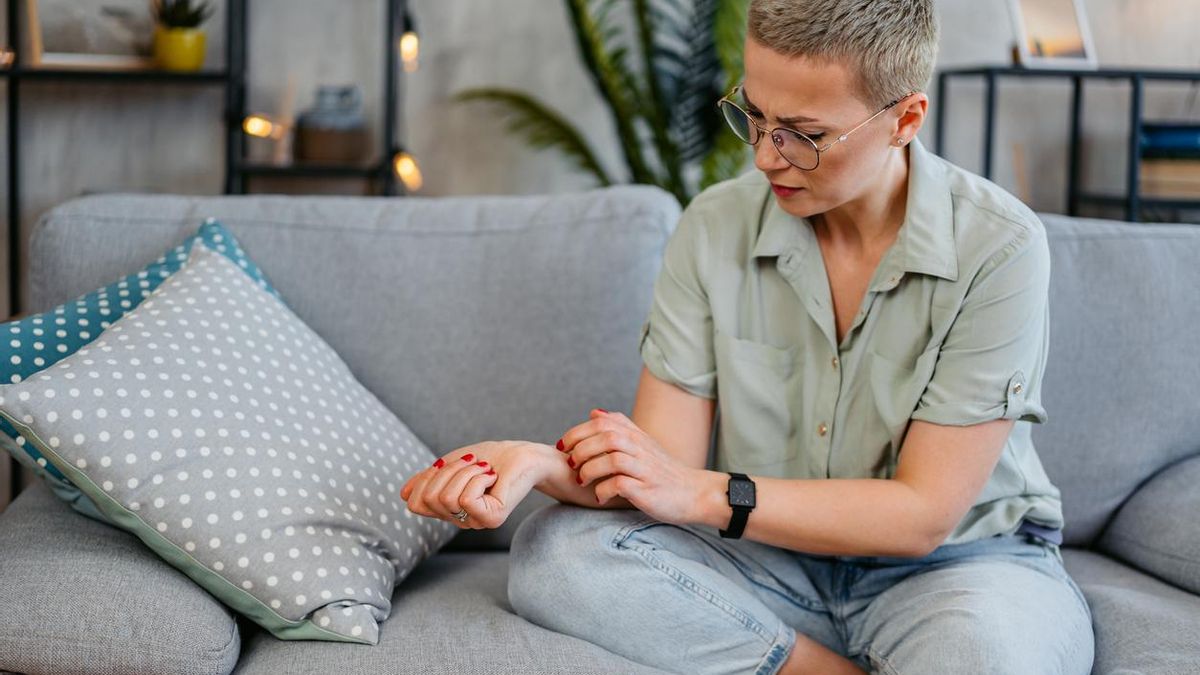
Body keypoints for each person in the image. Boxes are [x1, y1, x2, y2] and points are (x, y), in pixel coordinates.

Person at [400, 1, 1095, 672]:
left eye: (803, 134)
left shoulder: (999, 248)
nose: (765, 157)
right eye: (754, 117)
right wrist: (535, 465)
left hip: (958, 570)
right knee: (556, 555)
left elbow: (920, 514)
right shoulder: (714, 227)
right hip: (767, 561)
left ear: (904, 118)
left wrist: (705, 495)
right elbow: (660, 471)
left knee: (986, 658)